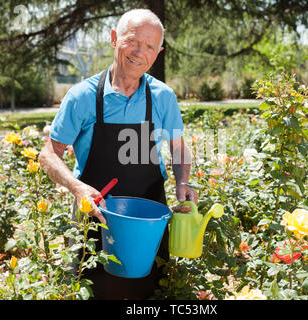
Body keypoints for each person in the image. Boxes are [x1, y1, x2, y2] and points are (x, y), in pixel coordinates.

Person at [39, 8, 197, 300]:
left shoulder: (163, 97)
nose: (140, 52)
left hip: (148, 221)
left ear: (158, 52)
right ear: (114, 38)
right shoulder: (82, 97)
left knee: (149, 295)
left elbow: (178, 147)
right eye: (133, 41)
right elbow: (48, 154)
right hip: (95, 216)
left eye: (150, 46)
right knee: (92, 292)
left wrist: (182, 182)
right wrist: (77, 188)